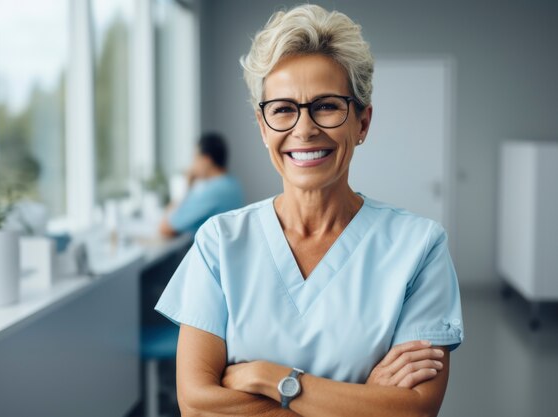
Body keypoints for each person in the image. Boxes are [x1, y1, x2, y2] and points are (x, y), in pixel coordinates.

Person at [155, 5, 463, 416]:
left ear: (362, 123)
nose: (304, 129)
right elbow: (196, 405)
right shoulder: (220, 243)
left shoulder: (420, 248)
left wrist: (269, 377)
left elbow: (413, 410)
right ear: (263, 128)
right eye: (282, 109)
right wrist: (360, 401)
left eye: (326, 106)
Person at [158, 132, 244, 237]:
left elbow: (165, 228)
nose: (192, 164)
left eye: (195, 158)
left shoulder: (213, 191)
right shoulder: (232, 184)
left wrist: (186, 188)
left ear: (206, 160)